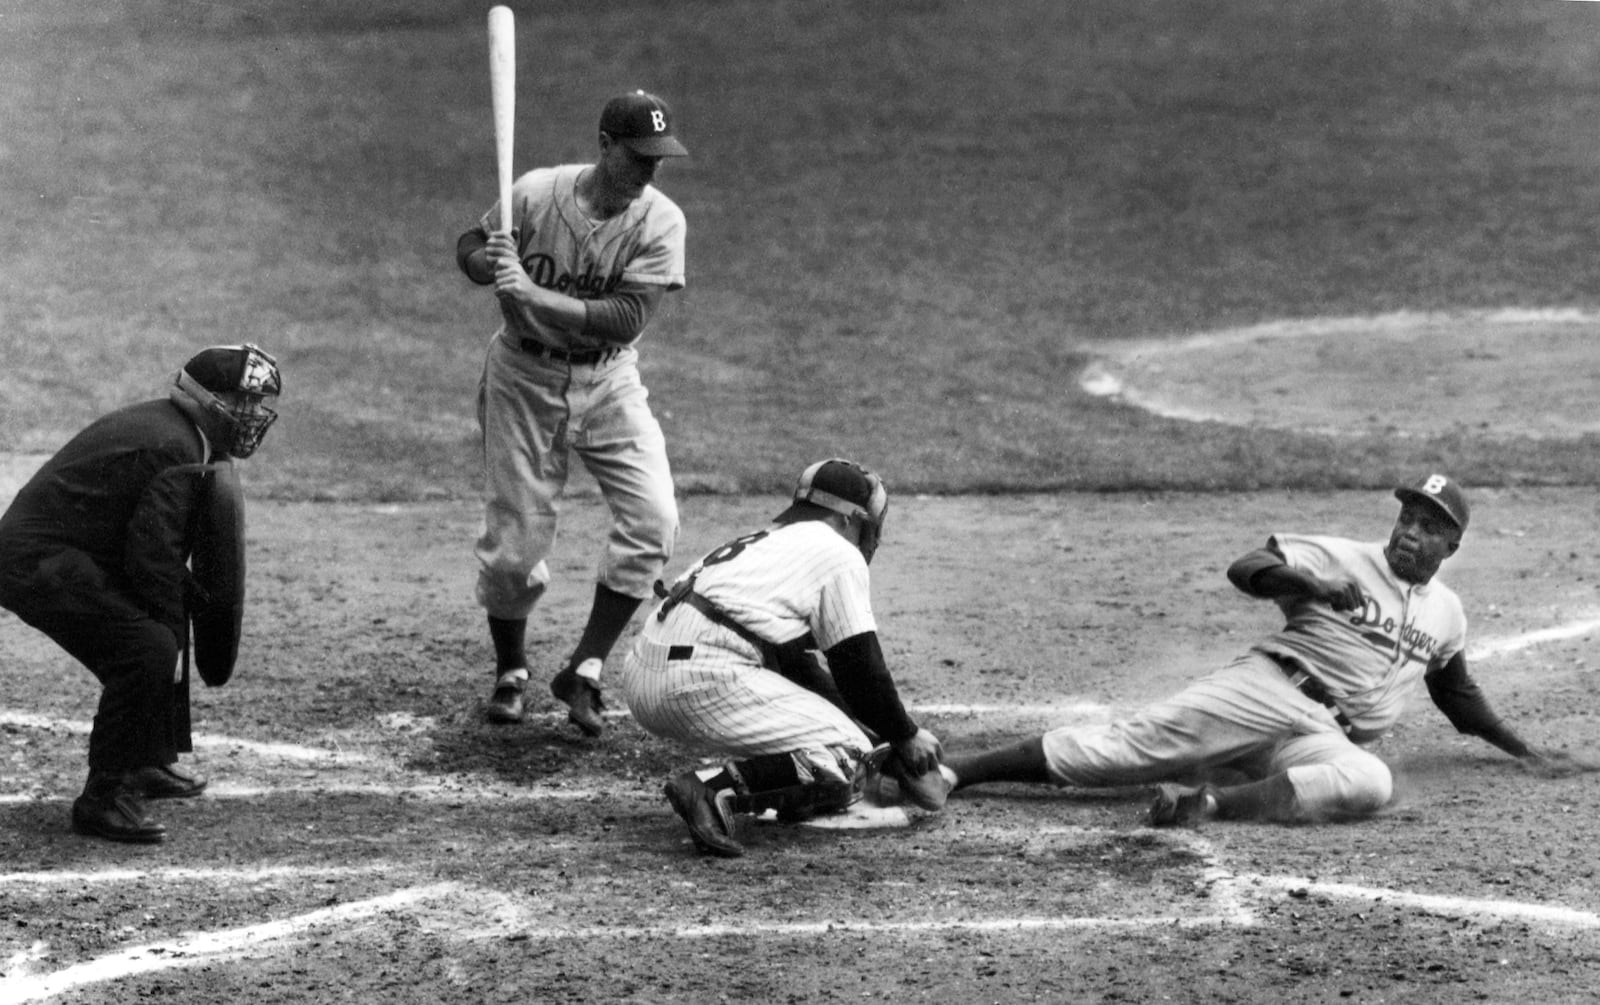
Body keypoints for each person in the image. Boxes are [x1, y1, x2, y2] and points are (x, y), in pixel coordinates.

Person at [944, 473, 1574, 826]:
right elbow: (1246, 568)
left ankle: (1210, 804)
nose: (1411, 531)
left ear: (1451, 547)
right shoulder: (1339, 558)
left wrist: (1524, 750)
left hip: (1318, 737)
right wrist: (1311, 585)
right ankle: (953, 771)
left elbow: (1458, 695)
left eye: (1429, 526)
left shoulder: (1448, 613)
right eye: (1407, 517)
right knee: (1128, 750)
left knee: (1369, 780)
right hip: (1266, 690)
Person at [455, 89, 690, 735]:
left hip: (611, 380)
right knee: (514, 548)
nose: (649, 170)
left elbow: (628, 315)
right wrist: (488, 262)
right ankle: (511, 671)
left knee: (654, 520)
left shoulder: (660, 221)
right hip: (523, 379)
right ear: (605, 145)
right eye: (638, 156)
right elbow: (470, 243)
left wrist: (531, 290)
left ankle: (585, 666)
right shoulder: (534, 192)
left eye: (659, 159)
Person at [0, 344, 282, 844]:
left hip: (71, 548)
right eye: (242, 402)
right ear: (205, 399)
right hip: (35, 560)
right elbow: (152, 556)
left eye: (257, 404)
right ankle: (104, 797)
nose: (251, 414)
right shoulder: (175, 447)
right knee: (145, 646)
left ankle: (146, 758)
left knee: (160, 628)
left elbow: (152, 552)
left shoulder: (181, 435)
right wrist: (178, 611)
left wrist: (177, 608)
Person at [620, 458, 949, 858]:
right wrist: (905, 735)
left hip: (645, 677)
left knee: (847, 740)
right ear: (849, 518)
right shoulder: (836, 552)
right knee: (846, 755)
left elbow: (799, 669)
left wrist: (882, 740)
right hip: (700, 679)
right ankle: (709, 787)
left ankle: (797, 793)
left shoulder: (768, 546)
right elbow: (859, 669)